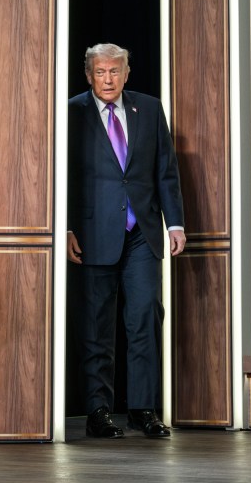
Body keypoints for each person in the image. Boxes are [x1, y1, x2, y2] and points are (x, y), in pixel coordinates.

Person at [67, 42, 186, 439]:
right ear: (88, 75)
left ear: (126, 73)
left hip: (142, 234)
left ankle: (142, 409)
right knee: (96, 325)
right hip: (92, 234)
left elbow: (165, 170)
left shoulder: (149, 109)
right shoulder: (71, 113)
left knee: (144, 319)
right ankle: (99, 411)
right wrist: (64, 227)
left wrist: (175, 224)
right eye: (100, 72)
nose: (107, 79)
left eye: (114, 71)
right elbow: (60, 177)